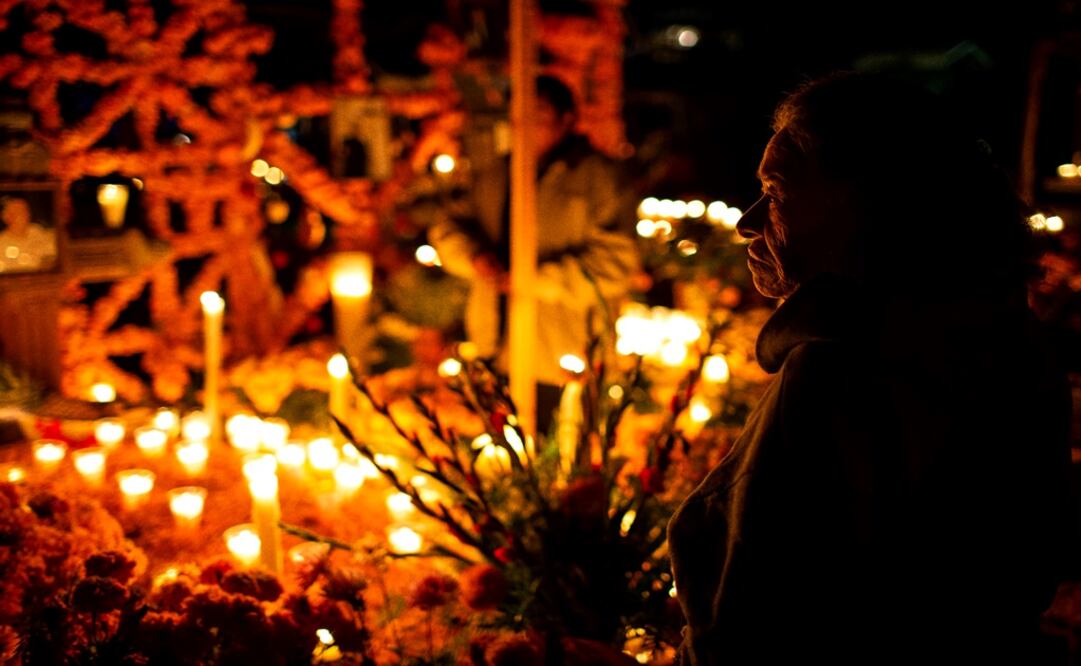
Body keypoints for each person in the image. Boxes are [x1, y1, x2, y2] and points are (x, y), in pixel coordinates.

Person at [666, 72, 1074, 664]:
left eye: (776, 194)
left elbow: (751, 620)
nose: (747, 222)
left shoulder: (837, 370)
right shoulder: (1014, 344)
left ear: (866, 208)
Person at [431, 75, 638, 432]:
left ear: (567, 119)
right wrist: (475, 258)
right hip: (495, 348)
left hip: (564, 354)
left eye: (538, 114)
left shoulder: (598, 178)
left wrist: (534, 280)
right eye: (519, 115)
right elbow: (448, 227)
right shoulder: (494, 173)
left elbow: (615, 264)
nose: (526, 126)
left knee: (564, 459)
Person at [0, 196, 55, 272]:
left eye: (26, 210)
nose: (26, 215)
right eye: (19, 211)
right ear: (6, 217)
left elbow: (51, 252)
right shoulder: (2, 243)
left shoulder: (36, 230)